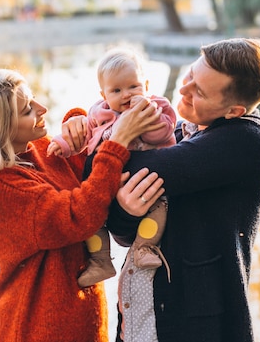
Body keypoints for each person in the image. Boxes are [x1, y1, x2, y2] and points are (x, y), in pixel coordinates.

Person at [0, 69, 166, 342]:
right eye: (28, 110)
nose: (42, 109)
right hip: (37, 324)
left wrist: (80, 125)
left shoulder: (36, 149)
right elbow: (78, 215)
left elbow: (85, 175)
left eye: (34, 99)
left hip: (77, 318)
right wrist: (118, 141)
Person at [106, 38, 260, 342]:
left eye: (198, 91)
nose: (183, 89)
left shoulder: (247, 141)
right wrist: (125, 208)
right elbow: (122, 232)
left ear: (234, 110)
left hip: (195, 323)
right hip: (140, 311)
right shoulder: (176, 134)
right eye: (189, 75)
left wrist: (111, 142)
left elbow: (112, 169)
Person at [48, 47, 177, 288]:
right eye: (116, 90)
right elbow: (85, 133)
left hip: (146, 182)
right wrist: (62, 144)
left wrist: (143, 112)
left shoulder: (158, 106)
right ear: (103, 94)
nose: (127, 95)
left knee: (159, 209)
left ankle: (144, 248)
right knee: (91, 218)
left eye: (134, 87)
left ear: (146, 85)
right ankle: (100, 262)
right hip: (107, 181)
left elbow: (164, 132)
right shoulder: (100, 112)